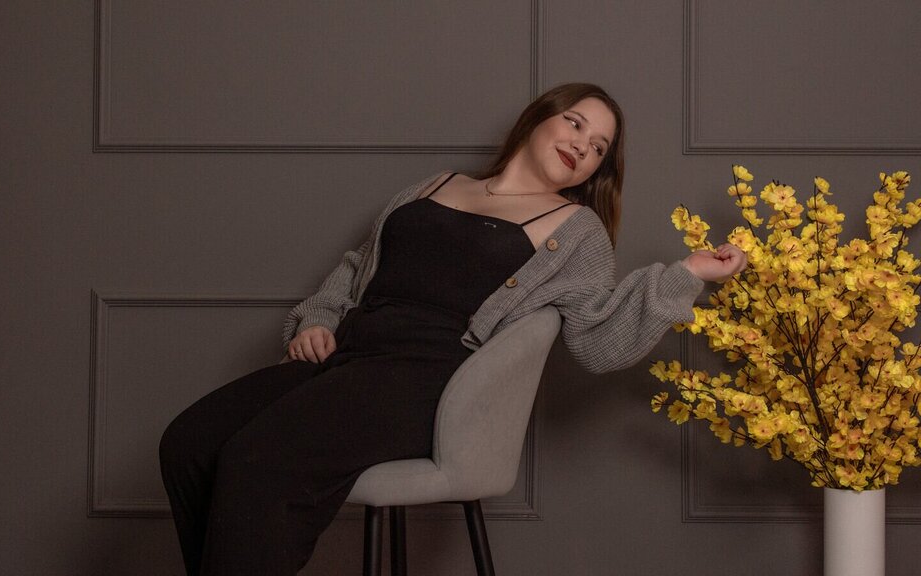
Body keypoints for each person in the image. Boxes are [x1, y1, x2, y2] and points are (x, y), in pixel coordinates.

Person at [158, 83, 747, 575]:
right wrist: (318, 319)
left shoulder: (576, 230)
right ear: (538, 119)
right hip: (348, 356)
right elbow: (358, 265)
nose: (581, 146)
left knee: (259, 462)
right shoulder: (435, 185)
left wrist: (687, 274)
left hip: (424, 382)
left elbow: (597, 340)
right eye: (574, 123)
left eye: (598, 147)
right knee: (189, 443)